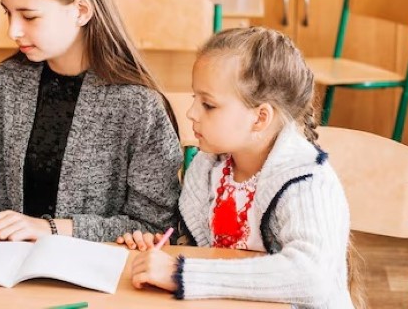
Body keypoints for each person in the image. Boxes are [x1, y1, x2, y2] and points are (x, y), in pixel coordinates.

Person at [119, 27, 357, 308]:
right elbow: (207, 251)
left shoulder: (308, 182)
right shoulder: (208, 169)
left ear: (260, 118)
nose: (191, 112)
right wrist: (164, 247)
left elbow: (313, 276)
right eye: (195, 98)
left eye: (208, 104)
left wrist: (182, 273)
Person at [0, 0, 182, 243]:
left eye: (29, 16)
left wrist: (50, 229)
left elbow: (154, 227)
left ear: (81, 11)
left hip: (102, 279)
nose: (12, 30)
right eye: (8, 13)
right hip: (13, 274)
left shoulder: (138, 103)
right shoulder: (4, 85)